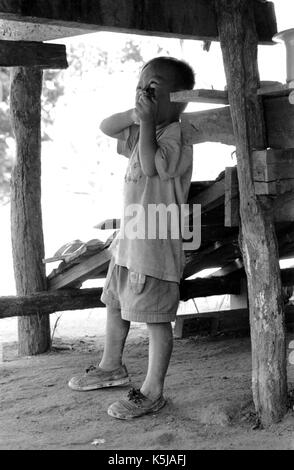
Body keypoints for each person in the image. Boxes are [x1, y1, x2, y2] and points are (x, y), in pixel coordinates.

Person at [68, 56, 195, 420]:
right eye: (140, 87)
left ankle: (153, 390)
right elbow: (106, 126)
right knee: (114, 302)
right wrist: (136, 115)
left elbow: (155, 165)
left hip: (155, 244)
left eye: (152, 88)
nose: (143, 94)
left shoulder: (177, 135)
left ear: (179, 98)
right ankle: (112, 366)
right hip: (130, 240)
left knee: (156, 318)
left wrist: (149, 121)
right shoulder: (142, 128)